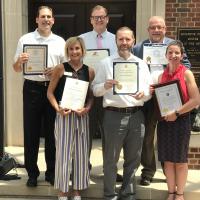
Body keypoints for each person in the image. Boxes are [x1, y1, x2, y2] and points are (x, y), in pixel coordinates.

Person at [92, 26, 152, 200]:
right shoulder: (105, 63)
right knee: (110, 160)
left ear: (133, 40)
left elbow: (148, 91)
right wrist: (105, 86)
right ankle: (110, 194)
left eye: (128, 39)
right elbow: (95, 90)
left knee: (133, 159)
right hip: (113, 116)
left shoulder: (141, 64)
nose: (124, 43)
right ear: (115, 41)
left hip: (136, 115)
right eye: (121, 39)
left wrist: (144, 94)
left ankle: (128, 193)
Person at [133, 16, 191, 186]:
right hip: (149, 98)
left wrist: (170, 72)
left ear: (165, 28)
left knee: (169, 135)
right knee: (147, 136)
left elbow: (185, 64)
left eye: (160, 27)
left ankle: (169, 171)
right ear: (148, 29)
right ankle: (148, 171)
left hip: (170, 96)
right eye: (153, 27)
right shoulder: (139, 48)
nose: (156, 30)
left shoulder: (174, 45)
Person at [13, 6, 66, 187]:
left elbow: (66, 69)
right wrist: (20, 61)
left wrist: (57, 71)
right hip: (32, 89)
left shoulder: (60, 41)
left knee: (53, 133)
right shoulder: (25, 39)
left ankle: (51, 172)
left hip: (53, 88)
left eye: (49, 17)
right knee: (31, 132)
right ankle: (32, 174)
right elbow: (16, 68)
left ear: (53, 20)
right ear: (36, 19)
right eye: (42, 16)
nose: (46, 19)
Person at [47, 36, 94, 200]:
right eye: (71, 49)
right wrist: (58, 109)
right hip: (64, 115)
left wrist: (87, 108)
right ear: (67, 51)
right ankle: (62, 191)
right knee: (63, 153)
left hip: (81, 117)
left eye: (77, 48)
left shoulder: (89, 71)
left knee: (81, 154)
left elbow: (90, 97)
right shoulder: (60, 68)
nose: (74, 52)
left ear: (82, 50)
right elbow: (50, 93)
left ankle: (77, 191)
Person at [79, 5, 122, 182]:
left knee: (109, 134)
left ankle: (109, 169)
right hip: (86, 92)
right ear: (90, 20)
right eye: (95, 17)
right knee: (85, 133)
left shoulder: (116, 40)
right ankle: (83, 168)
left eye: (102, 17)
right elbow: (73, 61)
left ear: (107, 19)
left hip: (108, 93)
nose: (99, 20)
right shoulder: (81, 39)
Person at [155, 40, 200, 200]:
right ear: (166, 55)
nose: (173, 55)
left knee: (180, 160)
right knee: (167, 160)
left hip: (181, 121)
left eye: (177, 53)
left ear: (182, 55)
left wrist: (177, 113)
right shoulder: (161, 75)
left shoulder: (186, 73)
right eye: (170, 52)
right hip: (165, 122)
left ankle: (179, 194)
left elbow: (196, 100)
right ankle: (171, 192)